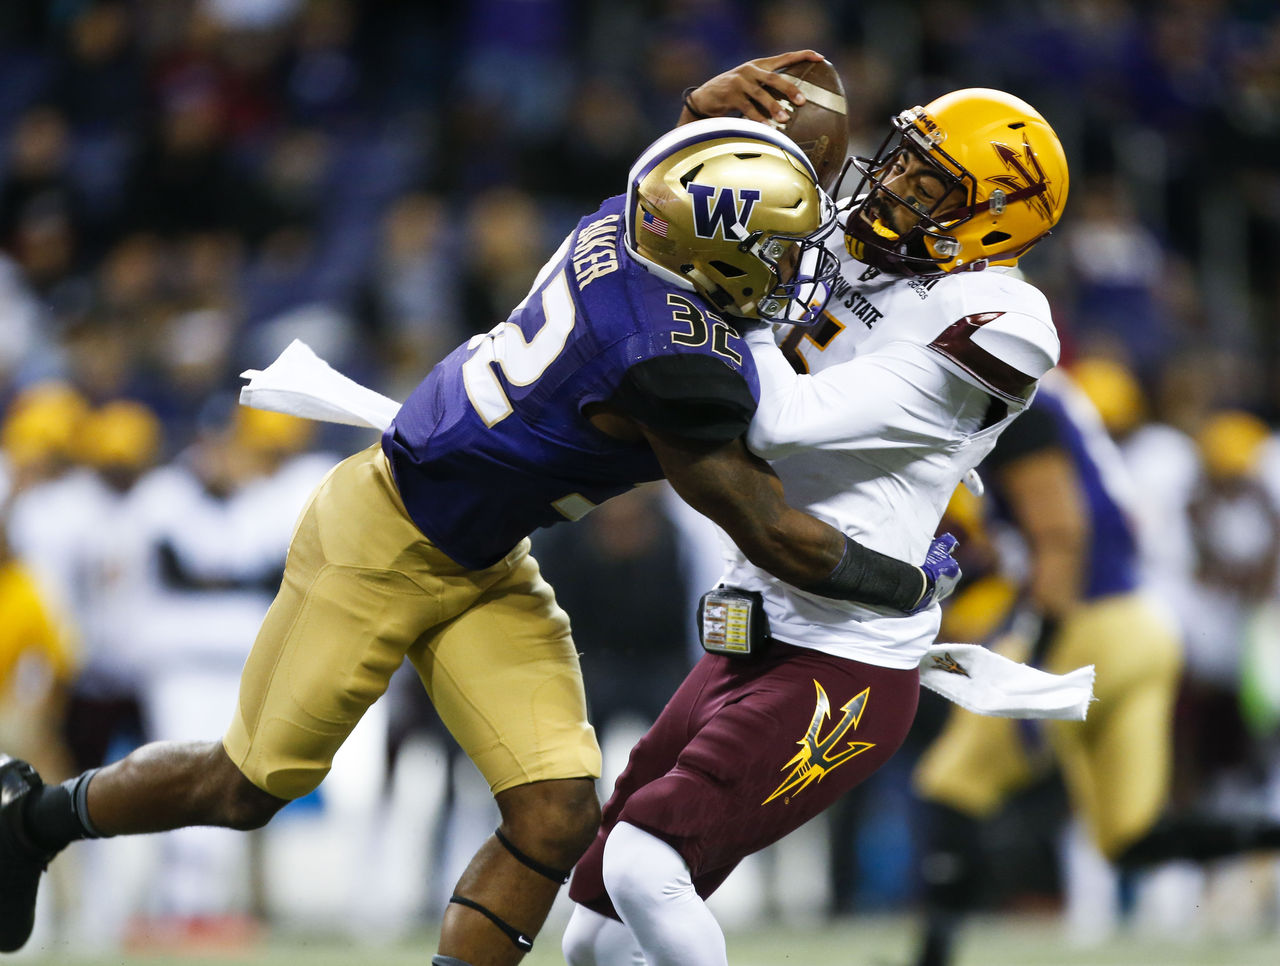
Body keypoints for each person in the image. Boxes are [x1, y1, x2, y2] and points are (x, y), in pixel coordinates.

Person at [0, 117, 960, 965]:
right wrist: (910, 585)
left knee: (556, 815)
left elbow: (695, 147)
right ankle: (31, 821)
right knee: (246, 787)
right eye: (776, 251)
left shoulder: (627, 222)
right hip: (381, 538)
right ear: (715, 251)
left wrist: (773, 108)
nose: (795, 270)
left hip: (487, 555)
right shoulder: (666, 359)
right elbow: (773, 532)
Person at [562, 56, 1072, 966]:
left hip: (846, 653)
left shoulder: (994, 315)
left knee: (645, 869)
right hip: (749, 625)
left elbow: (779, 419)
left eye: (929, 183)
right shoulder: (857, 243)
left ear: (994, 218)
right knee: (593, 939)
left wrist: (751, 293)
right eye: (903, 159)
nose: (895, 184)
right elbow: (681, 232)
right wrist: (699, 131)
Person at [907, 373, 1280, 966]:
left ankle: (931, 958)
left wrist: (1039, 653)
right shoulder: (1054, 396)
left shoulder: (1018, 398)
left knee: (951, 784)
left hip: (1084, 622)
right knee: (1130, 838)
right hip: (1141, 624)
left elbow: (1062, 533)